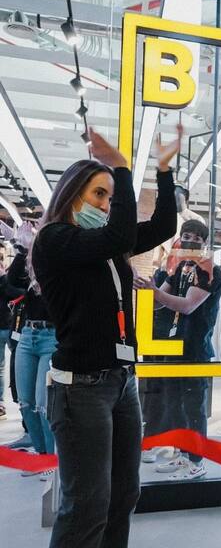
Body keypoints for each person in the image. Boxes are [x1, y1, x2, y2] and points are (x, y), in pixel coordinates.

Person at [32, 126, 180, 548]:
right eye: (99, 194)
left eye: (110, 197)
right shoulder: (56, 240)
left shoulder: (105, 247)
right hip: (81, 388)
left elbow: (163, 225)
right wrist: (121, 167)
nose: (106, 204)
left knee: (123, 495)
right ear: (72, 194)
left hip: (120, 382)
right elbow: (119, 233)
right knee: (87, 505)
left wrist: (164, 172)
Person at [135, 219, 221, 480]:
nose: (191, 241)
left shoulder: (210, 271)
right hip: (173, 346)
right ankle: (183, 455)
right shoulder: (180, 268)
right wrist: (145, 290)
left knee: (194, 408)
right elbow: (159, 301)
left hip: (194, 349)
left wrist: (155, 293)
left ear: (204, 242)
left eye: (197, 238)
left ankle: (196, 462)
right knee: (176, 404)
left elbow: (187, 306)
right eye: (187, 236)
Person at [10, 221, 57, 476]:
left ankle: (50, 459)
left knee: (42, 403)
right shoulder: (31, 261)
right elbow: (11, 282)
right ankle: (40, 456)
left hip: (52, 336)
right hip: (28, 334)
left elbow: (54, 297)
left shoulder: (57, 263)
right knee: (26, 401)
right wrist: (21, 249)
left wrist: (34, 251)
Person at [0, 249, 24, 420]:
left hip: (10, 326)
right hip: (9, 326)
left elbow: (17, 292)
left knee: (13, 365)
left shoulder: (6, 278)